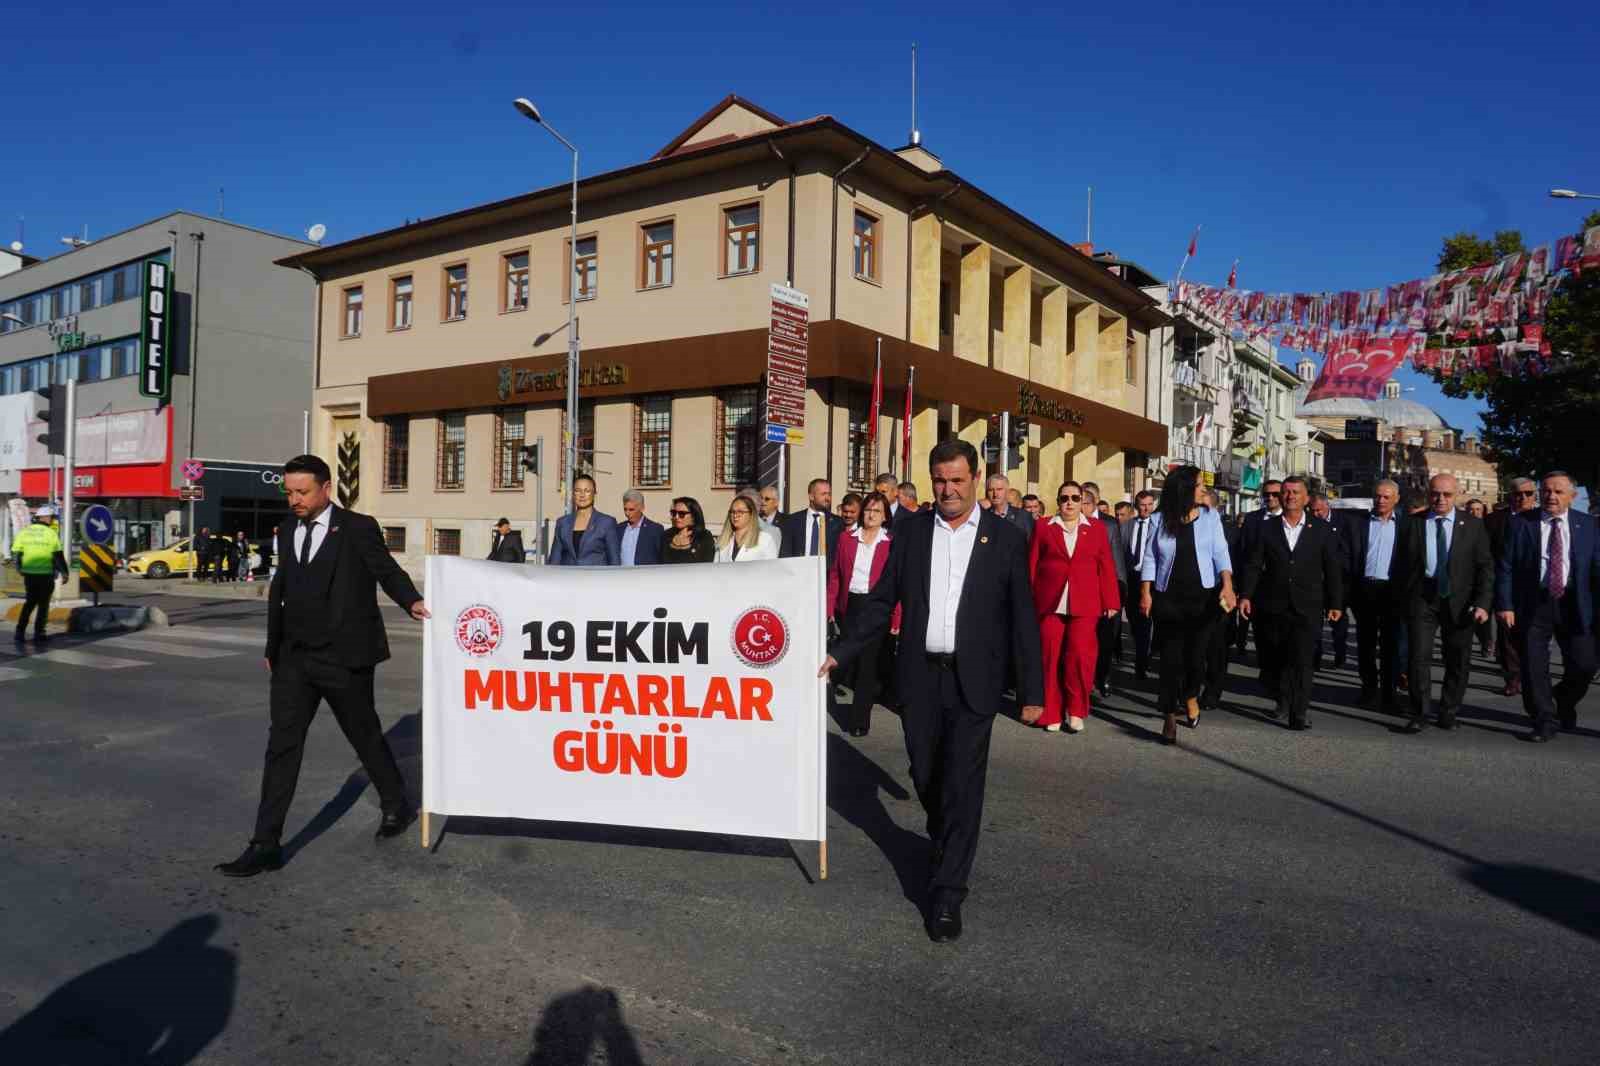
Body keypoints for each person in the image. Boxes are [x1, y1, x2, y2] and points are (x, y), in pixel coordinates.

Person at [821, 439, 1043, 944]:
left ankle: (947, 892)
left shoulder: (1005, 539)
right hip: (919, 678)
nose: (948, 490)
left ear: (975, 478)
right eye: (940, 480)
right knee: (926, 772)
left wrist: (1032, 690)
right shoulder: (914, 532)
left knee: (964, 782)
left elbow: (1022, 618)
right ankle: (945, 836)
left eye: (958, 480)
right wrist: (843, 650)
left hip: (975, 680)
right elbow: (880, 602)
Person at [216, 454, 430, 878]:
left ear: (326, 488)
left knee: (364, 735)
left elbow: (384, 569)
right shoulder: (285, 529)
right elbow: (282, 586)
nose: (294, 499)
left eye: (302, 491)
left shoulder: (356, 527)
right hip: (294, 659)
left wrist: (412, 602)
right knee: (282, 746)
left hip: (343, 656)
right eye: (289, 492)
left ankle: (396, 803)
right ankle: (265, 844)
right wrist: (272, 644)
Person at [1496, 471, 1599, 742]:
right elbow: (1506, 566)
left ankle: (1563, 699)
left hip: (1574, 603)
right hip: (1534, 603)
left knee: (1585, 664)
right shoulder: (1521, 524)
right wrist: (1505, 604)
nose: (1551, 496)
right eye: (1546, 491)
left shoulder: (1588, 525)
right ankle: (1544, 719)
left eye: (1558, 492)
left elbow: (1596, 569)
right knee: (1532, 665)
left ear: (1572, 496)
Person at [1237, 476, 1343, 731]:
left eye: (1296, 492)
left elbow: (1332, 569)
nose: (1290, 496)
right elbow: (1253, 565)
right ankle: (1282, 699)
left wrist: (1336, 602)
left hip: (1308, 605)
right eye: (1285, 492)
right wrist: (1246, 595)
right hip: (1273, 604)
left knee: (1303, 660)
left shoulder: (1321, 529)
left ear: (1307, 498)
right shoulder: (1267, 528)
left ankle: (1299, 711)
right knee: (1276, 659)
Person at [1138, 466, 1235, 744]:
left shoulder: (1210, 517)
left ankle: (1191, 694)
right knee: (1170, 660)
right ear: (1183, 489)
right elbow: (1151, 558)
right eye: (1198, 485)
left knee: (1196, 659)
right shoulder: (1159, 520)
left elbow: (1220, 552)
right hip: (1168, 598)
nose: (1203, 490)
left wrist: (1227, 585)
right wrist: (1146, 592)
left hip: (1203, 599)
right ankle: (1169, 715)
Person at [1395, 474, 1493, 734]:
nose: (1440, 499)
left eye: (1447, 495)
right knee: (1418, 658)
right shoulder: (1412, 523)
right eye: (1436, 494)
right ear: (1429, 493)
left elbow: (1485, 567)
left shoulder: (1473, 525)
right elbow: (1399, 565)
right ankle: (1419, 713)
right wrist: (1402, 599)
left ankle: (1448, 711)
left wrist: (1483, 603)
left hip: (1460, 602)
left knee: (1458, 659)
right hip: (1422, 599)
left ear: (1457, 495)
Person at [1029, 480, 1120, 734]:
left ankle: (1076, 709)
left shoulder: (1097, 528)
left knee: (1080, 657)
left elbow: (1106, 566)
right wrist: (1028, 601)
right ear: (1058, 501)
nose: (1069, 502)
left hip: (1086, 602)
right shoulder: (1044, 526)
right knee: (1049, 656)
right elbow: (1033, 564)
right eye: (1064, 498)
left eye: (1074, 498)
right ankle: (1051, 712)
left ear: (1083, 501)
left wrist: (1111, 600)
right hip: (1049, 602)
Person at [826, 492, 900, 737]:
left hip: (876, 606)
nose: (870, 515)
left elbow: (898, 583)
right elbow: (835, 575)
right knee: (845, 658)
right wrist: (829, 608)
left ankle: (860, 720)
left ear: (885, 516)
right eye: (868, 509)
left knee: (868, 665)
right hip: (850, 604)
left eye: (877, 511)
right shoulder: (847, 538)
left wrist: (897, 616)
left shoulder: (890, 542)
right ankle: (823, 699)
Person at [1342, 479, 1404, 712]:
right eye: (1378, 496)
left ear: (1397, 499)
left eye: (1387, 497)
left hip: (1392, 592)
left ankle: (1390, 694)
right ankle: (1368, 689)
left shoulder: (1406, 525)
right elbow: (1346, 558)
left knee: (1391, 646)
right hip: (1364, 590)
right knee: (1365, 644)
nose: (1381, 500)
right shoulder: (1357, 523)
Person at [1486, 477, 1539, 695]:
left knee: (1533, 633)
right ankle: (1513, 677)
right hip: (1504, 584)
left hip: (1534, 585)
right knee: (1507, 633)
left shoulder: (1543, 519)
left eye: (1528, 494)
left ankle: (1532, 673)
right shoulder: (1494, 521)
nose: (1523, 498)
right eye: (1518, 494)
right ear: (1510, 495)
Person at [1080, 483, 1128, 696]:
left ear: (1093, 505)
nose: (1079, 507)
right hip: (1081, 593)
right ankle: (1085, 679)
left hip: (1105, 592)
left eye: (1084, 503)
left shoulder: (1108, 525)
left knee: (1106, 639)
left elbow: (1117, 563)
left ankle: (1104, 675)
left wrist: (1118, 596)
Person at [1234, 479, 1284, 660]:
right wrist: (1240, 586)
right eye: (1266, 494)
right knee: (1258, 628)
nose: (1270, 498)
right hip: (1254, 585)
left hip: (1280, 585)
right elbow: (1242, 552)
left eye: (1274, 494)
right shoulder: (1252, 519)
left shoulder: (1289, 519)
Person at [1199, 489, 1236, 710]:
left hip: (1223, 594)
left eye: (1204, 507)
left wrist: (1235, 590)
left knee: (1217, 646)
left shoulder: (1230, 530)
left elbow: (1238, 559)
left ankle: (1213, 691)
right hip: (1197, 594)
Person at [11, 505, 68, 644]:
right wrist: (65, 572)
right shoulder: (51, 533)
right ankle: (39, 633)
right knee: (43, 605)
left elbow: (16, 552)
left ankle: (19, 633)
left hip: (29, 575)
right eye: (52, 518)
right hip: (45, 575)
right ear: (46, 518)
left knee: (29, 603)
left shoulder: (24, 532)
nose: (52, 520)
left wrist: (19, 568)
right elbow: (57, 556)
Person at [1310, 495, 1351, 671]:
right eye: (1312, 510)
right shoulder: (1308, 523)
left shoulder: (1343, 522)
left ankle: (1340, 654)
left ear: (1327, 507)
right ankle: (1315, 658)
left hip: (1337, 582)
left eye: (1319, 510)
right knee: (1314, 623)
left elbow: (1347, 551)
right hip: (1314, 583)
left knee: (1338, 624)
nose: (1315, 513)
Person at [1120, 490, 1158, 681]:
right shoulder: (1127, 526)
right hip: (1132, 578)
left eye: (1149, 504)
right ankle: (1143, 649)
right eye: (1142, 504)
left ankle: (1142, 661)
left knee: (1148, 621)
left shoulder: (1160, 525)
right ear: (1136, 505)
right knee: (1135, 622)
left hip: (1152, 580)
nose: (1146, 508)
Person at [548, 474, 620, 566]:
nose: (582, 495)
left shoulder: (606, 522)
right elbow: (555, 560)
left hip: (596, 578)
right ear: (573, 494)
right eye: (578, 491)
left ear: (594, 494)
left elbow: (614, 561)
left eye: (587, 491)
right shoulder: (562, 523)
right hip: (568, 578)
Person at [778, 478, 844, 559]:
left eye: (829, 494)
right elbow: (785, 552)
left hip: (825, 570)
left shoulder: (837, 523)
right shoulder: (793, 521)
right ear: (811, 496)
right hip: (799, 569)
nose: (827, 498)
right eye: (823, 494)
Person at [716, 492, 780, 562]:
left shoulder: (765, 539)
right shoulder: (724, 540)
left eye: (740, 512)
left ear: (751, 514)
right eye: (733, 511)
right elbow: (715, 568)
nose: (735, 515)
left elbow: (772, 568)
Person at [608, 490, 664, 566]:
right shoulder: (619, 529)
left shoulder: (655, 529)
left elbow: (660, 559)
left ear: (642, 508)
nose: (627, 513)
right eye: (625, 509)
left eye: (631, 509)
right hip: (621, 576)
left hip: (645, 576)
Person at [661, 497, 715, 563]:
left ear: (693, 516)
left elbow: (707, 564)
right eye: (674, 513)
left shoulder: (704, 536)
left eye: (682, 514)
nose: (676, 517)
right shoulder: (666, 535)